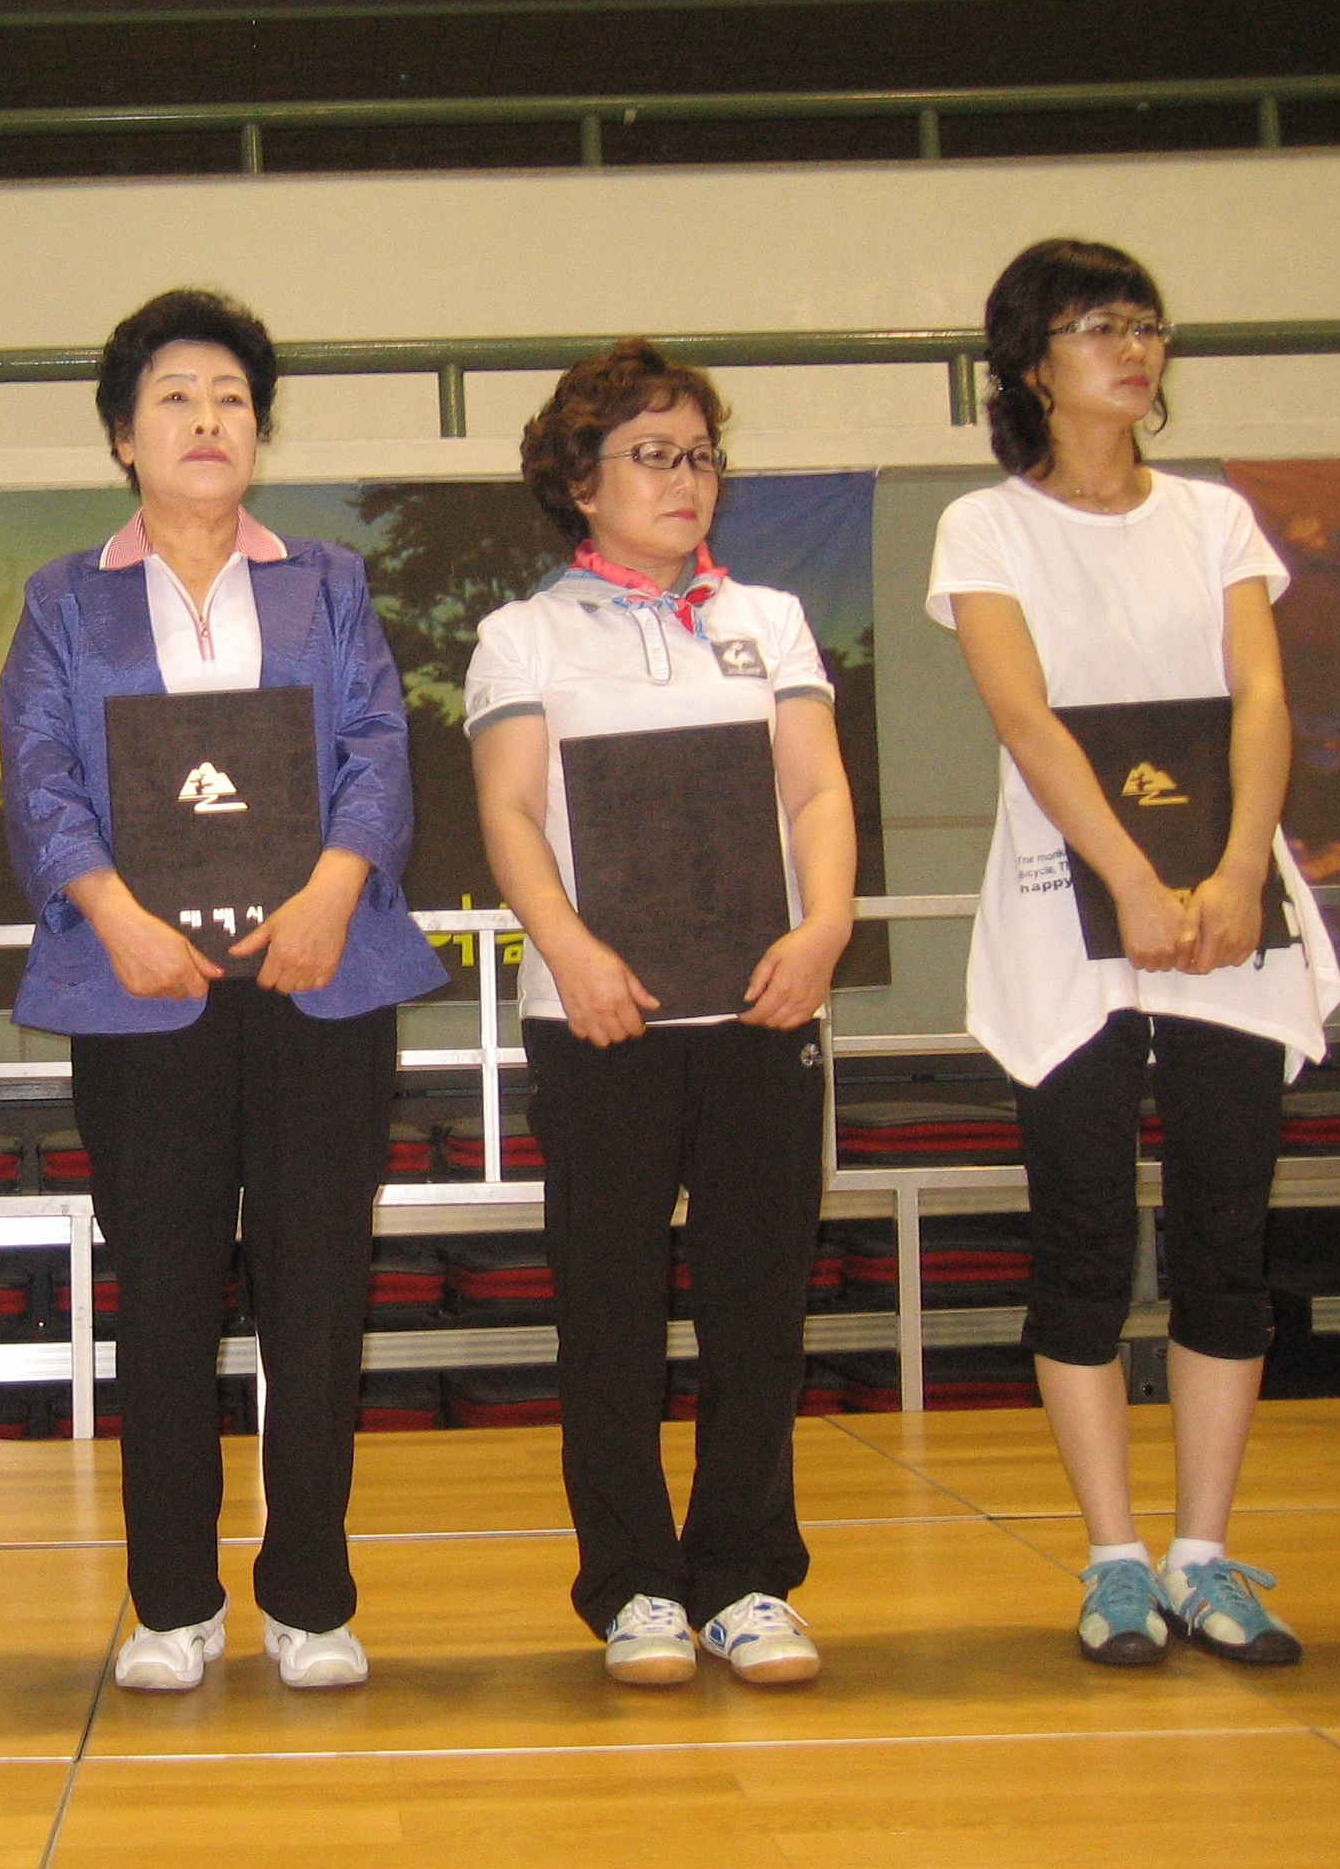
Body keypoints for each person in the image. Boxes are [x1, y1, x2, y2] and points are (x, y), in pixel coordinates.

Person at [0, 289, 443, 1693]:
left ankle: (310, 1598)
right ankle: (172, 1603)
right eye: (176, 398)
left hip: (319, 979)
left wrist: (329, 894)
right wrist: (115, 917)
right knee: (166, 1298)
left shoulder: (328, 582)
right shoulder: (64, 599)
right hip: (143, 988)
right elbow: (38, 773)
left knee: (318, 1294)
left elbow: (378, 746)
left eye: (233, 398)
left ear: (260, 431)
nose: (208, 419)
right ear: (122, 437)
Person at [931, 239, 1340, 1667]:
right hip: (1071, 908)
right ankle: (1113, 1560)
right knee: (1085, 1237)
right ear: (1030, 363)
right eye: (1097, 326)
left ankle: (1204, 1556)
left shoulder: (1216, 518)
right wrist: (1132, 883)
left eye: (1146, 324)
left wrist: (1230, 875)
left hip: (1228, 913)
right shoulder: (984, 526)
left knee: (1228, 1239)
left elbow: (1260, 700)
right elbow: (1026, 718)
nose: (1132, 348)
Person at [465, 339, 856, 1689]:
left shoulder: (772, 620)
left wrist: (823, 927)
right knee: (610, 1308)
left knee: (759, 1306)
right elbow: (511, 809)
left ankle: (746, 1576)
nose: (686, 479)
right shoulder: (523, 636)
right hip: (600, 1019)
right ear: (581, 481)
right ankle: (632, 1582)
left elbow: (816, 790)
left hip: (761, 1009)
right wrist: (569, 950)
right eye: (652, 454)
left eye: (701, 455)